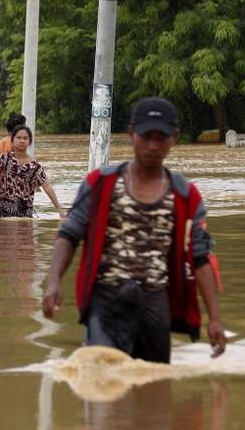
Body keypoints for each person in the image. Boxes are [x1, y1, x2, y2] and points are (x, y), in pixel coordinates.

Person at [42, 97, 226, 364]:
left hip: (155, 300)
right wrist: (54, 280)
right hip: (106, 297)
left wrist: (215, 318)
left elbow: (200, 257)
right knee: (102, 378)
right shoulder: (100, 183)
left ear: (174, 138)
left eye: (160, 137)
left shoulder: (185, 194)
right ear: (131, 134)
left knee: (154, 384)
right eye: (145, 136)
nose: (152, 145)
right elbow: (69, 234)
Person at [0, 125, 65, 218]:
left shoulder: (35, 166)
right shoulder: (5, 158)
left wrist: (60, 210)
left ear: (29, 142)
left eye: (25, 138)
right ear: (12, 140)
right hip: (4, 210)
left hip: (24, 212)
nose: (22, 141)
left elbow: (47, 187)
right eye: (18, 137)